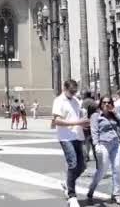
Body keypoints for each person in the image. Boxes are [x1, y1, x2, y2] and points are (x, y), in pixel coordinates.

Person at [52, 79, 89, 207]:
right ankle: (72, 196)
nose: (73, 93)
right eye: (71, 91)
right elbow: (57, 121)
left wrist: (83, 125)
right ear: (65, 88)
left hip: (78, 136)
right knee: (73, 164)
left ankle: (67, 184)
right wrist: (77, 123)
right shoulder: (58, 101)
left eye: (75, 91)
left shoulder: (76, 101)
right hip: (65, 137)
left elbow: (78, 117)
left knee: (82, 166)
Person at [87, 95, 120, 205]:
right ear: (100, 104)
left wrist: (116, 113)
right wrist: (96, 145)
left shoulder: (114, 115)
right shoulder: (95, 116)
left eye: (108, 102)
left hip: (115, 144)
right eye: (104, 102)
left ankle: (116, 194)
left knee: (116, 168)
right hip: (103, 144)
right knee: (102, 170)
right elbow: (94, 131)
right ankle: (91, 189)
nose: (106, 104)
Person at [80, 91, 98, 162]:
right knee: (93, 140)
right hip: (94, 122)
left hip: (87, 123)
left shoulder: (84, 102)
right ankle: (95, 155)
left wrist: (83, 123)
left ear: (85, 95)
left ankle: (86, 156)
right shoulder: (94, 102)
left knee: (85, 141)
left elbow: (84, 112)